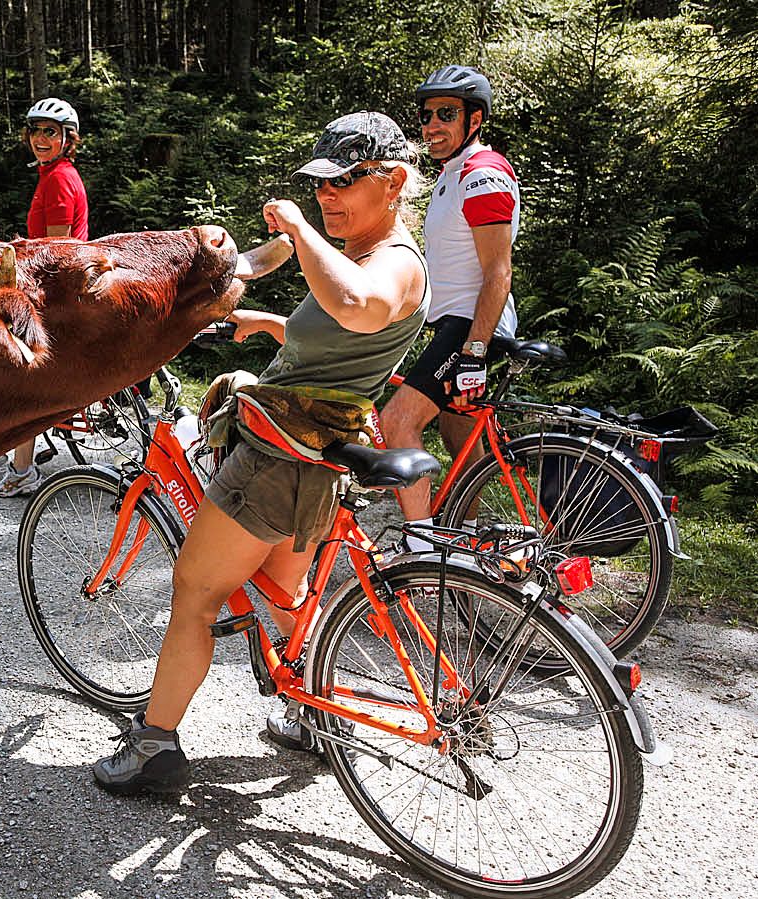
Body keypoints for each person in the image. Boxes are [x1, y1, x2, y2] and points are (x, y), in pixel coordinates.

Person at [91, 112, 430, 794]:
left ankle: (154, 748)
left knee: (195, 592)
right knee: (285, 594)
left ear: (394, 181)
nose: (328, 196)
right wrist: (268, 322)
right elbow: (342, 343)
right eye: (319, 186)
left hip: (278, 459)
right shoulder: (363, 254)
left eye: (344, 182)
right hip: (317, 455)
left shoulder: (391, 262)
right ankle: (309, 710)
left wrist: (300, 231)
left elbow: (363, 308)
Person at [379, 65, 520, 550]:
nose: (432, 125)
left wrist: (474, 353)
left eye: (446, 114)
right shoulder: (451, 176)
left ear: (474, 120)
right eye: (426, 116)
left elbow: (498, 271)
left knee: (396, 421)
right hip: (454, 324)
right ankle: (469, 546)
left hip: (471, 326)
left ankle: (421, 550)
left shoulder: (482, 174)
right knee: (463, 443)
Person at [0, 98, 90, 499]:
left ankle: (22, 469)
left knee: (22, 378)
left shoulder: (60, 179)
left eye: (51, 131)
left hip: (58, 291)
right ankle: (19, 451)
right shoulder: (51, 175)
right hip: (56, 285)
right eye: (36, 130)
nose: (41, 138)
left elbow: (58, 249)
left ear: (68, 139)